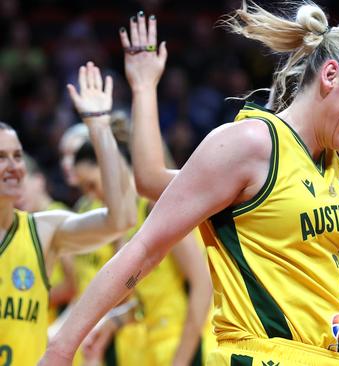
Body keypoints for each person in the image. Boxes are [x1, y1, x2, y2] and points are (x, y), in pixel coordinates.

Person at [40, 3, 339, 365]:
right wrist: (62, 347)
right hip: (261, 355)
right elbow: (145, 248)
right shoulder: (250, 144)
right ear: (330, 75)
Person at [0, 61, 137, 366]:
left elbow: (121, 220)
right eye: (1, 158)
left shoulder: (43, 229)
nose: (12, 166)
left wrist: (99, 128)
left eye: (17, 156)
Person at [71, 117, 211, 366]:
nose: (91, 195)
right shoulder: (124, 220)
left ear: (110, 168)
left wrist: (181, 360)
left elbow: (203, 286)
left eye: (92, 185)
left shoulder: (154, 207)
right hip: (148, 345)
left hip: (185, 342)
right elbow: (138, 296)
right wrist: (116, 321)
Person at [16, 154, 76, 324]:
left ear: (39, 180)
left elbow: (73, 285)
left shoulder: (57, 216)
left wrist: (25, 301)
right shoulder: (26, 223)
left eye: (22, 184)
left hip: (60, 320)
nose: (17, 195)